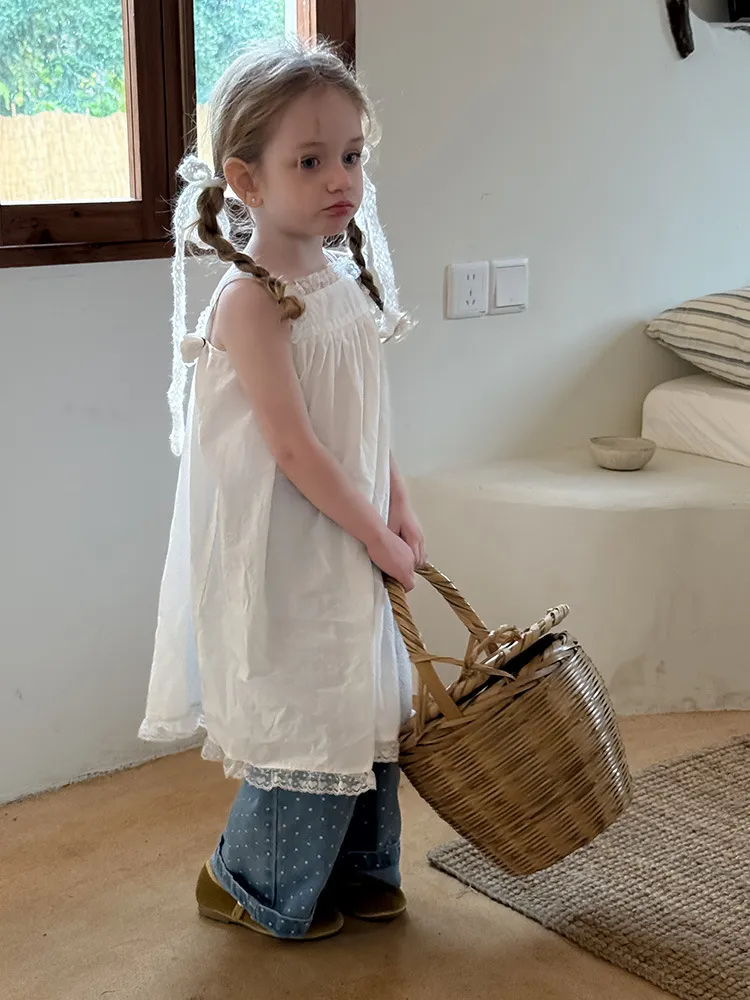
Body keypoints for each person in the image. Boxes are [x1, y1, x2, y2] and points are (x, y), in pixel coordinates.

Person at [138, 39, 424, 942]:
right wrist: (373, 533)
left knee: (365, 690)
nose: (341, 178)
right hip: (290, 539)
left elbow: (365, 419)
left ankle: (355, 866)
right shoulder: (252, 301)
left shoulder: (339, 280)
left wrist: (398, 503)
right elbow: (294, 448)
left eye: (352, 155)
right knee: (310, 696)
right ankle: (248, 878)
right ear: (246, 180)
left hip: (348, 518)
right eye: (310, 161)